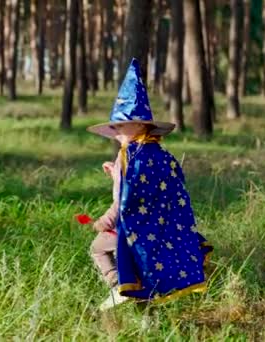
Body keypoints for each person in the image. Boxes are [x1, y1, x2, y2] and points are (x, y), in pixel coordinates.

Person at [87, 58, 213, 310]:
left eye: (122, 125)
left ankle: (116, 285)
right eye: (116, 126)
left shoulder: (130, 156)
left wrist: (106, 221)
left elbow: (128, 198)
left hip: (136, 229)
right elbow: (150, 188)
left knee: (98, 247)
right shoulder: (157, 153)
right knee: (147, 277)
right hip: (163, 229)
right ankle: (145, 318)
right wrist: (115, 172)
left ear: (141, 125)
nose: (117, 131)